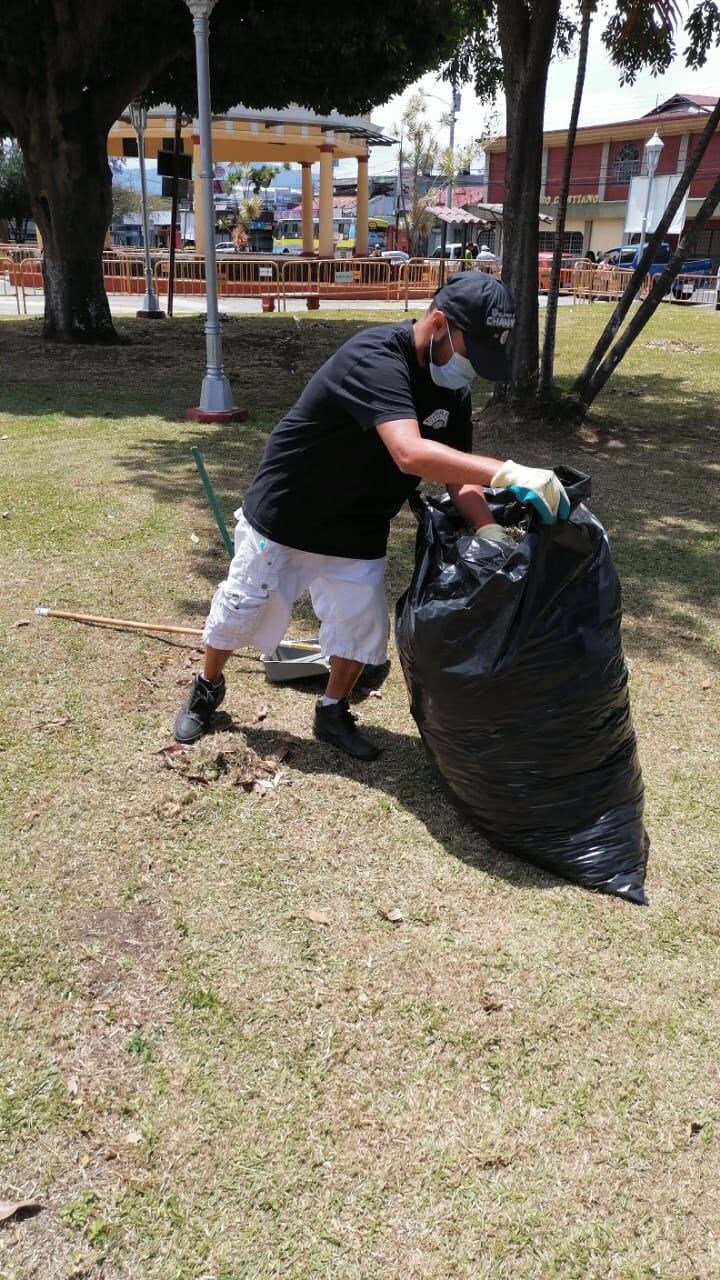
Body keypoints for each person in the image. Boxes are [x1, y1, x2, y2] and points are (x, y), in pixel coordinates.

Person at [173, 272, 568, 762]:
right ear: (440, 324)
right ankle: (208, 686)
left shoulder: (454, 391)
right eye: (474, 353)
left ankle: (332, 708)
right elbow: (409, 453)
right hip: (289, 511)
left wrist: (488, 528)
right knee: (241, 608)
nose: (473, 371)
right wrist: (509, 472)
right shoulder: (378, 357)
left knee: (360, 628)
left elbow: (456, 475)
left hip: (359, 524)